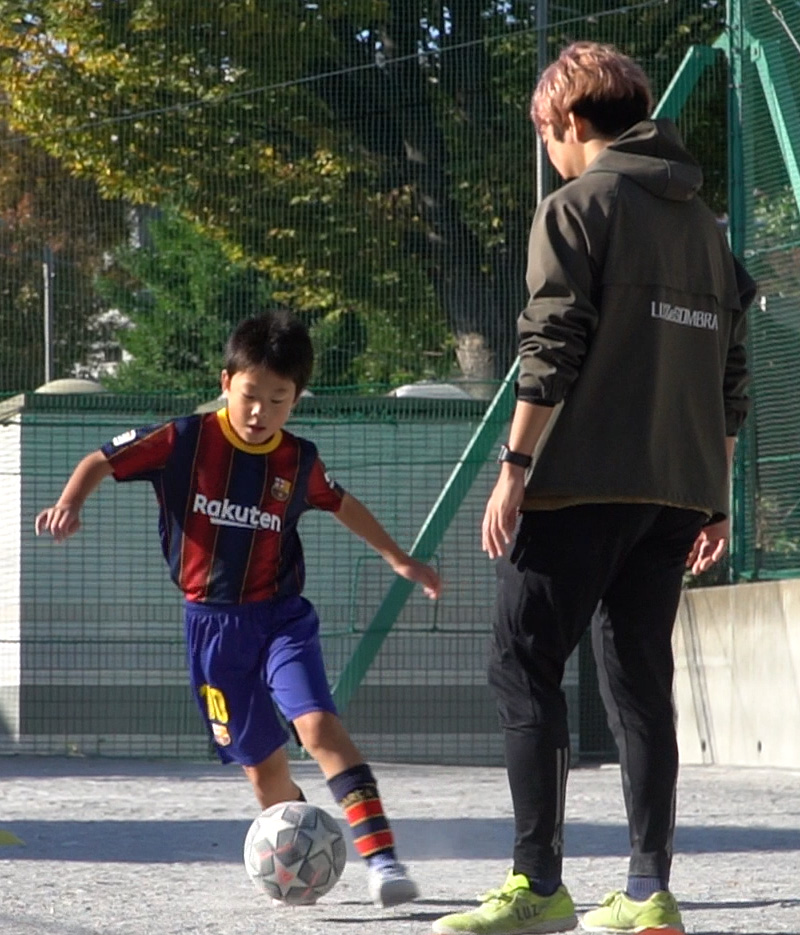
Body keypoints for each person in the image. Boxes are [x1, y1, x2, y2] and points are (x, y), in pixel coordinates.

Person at [433, 41, 755, 935]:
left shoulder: (578, 206)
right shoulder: (707, 227)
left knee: (522, 663)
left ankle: (537, 885)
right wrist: (717, 497)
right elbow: (733, 376)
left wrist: (515, 467)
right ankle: (650, 891)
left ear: (569, 123)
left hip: (579, 482)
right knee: (640, 684)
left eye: (548, 135)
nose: (550, 151)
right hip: (677, 493)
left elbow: (552, 345)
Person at [35, 309, 442, 909]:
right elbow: (99, 459)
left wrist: (397, 557)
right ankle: (304, 852)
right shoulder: (183, 439)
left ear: (296, 401)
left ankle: (383, 861)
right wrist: (70, 503)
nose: (260, 412)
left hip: (280, 618)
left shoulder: (298, 462)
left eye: (278, 400)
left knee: (318, 727)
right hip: (211, 631)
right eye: (251, 395)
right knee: (264, 774)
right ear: (227, 383)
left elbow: (341, 502)